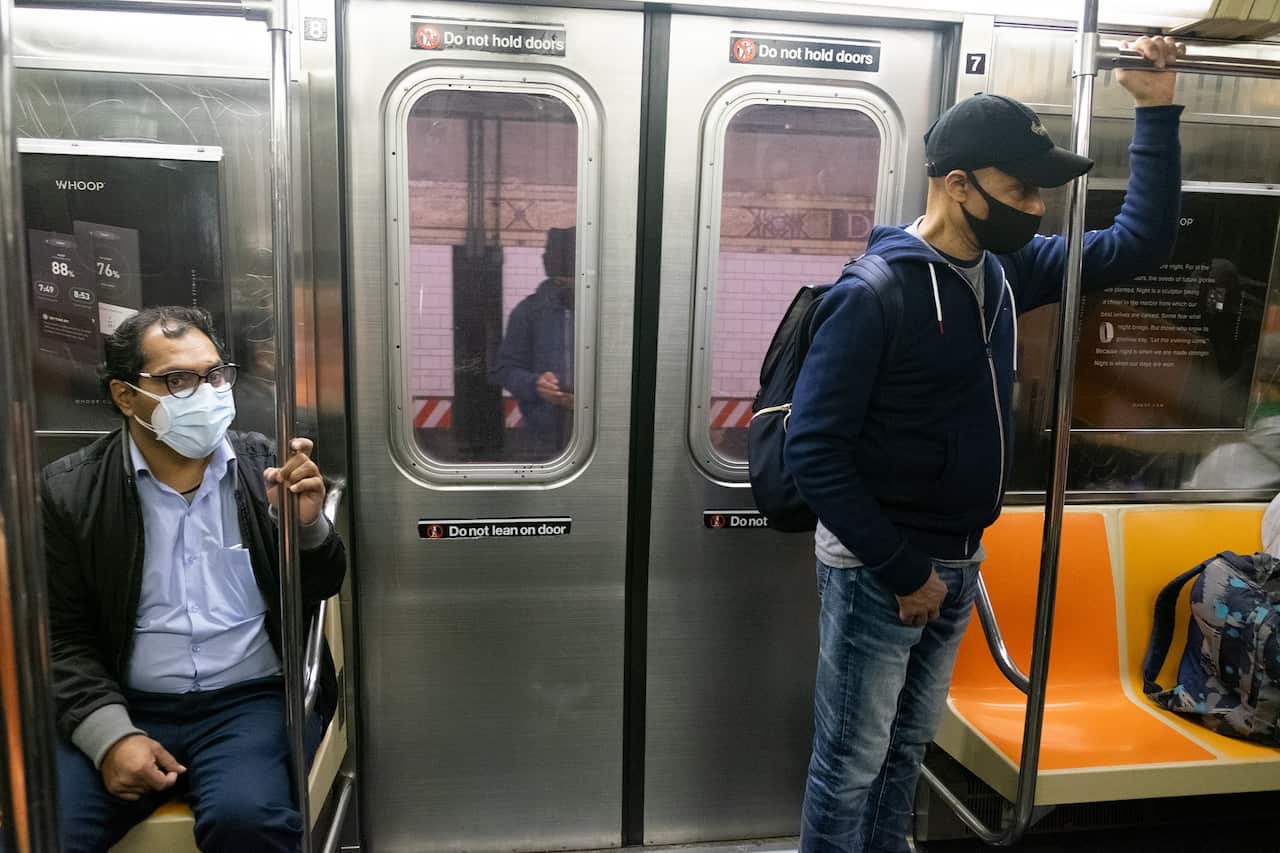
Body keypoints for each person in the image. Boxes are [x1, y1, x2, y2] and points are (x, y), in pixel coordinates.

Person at [783, 37, 1184, 853]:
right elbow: (815, 451)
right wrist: (904, 571)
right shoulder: (876, 294)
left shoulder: (1010, 273)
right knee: (850, 764)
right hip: (878, 570)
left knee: (903, 754)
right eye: (1018, 190)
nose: (1034, 208)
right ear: (956, 184)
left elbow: (1140, 242)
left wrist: (1155, 108)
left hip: (959, 560)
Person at [43, 306, 346, 853]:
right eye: (177, 380)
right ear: (125, 397)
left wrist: (303, 528)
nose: (206, 392)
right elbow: (61, 637)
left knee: (247, 821)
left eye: (213, 375)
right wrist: (111, 738)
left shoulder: (266, 470)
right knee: (46, 830)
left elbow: (322, 584)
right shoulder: (70, 493)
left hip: (248, 701)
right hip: (124, 697)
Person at [493, 226, 576, 458]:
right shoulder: (528, 312)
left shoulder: (608, 312)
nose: (568, 288)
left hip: (601, 432)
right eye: (561, 282)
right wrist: (536, 384)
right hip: (543, 437)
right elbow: (504, 370)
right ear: (546, 264)